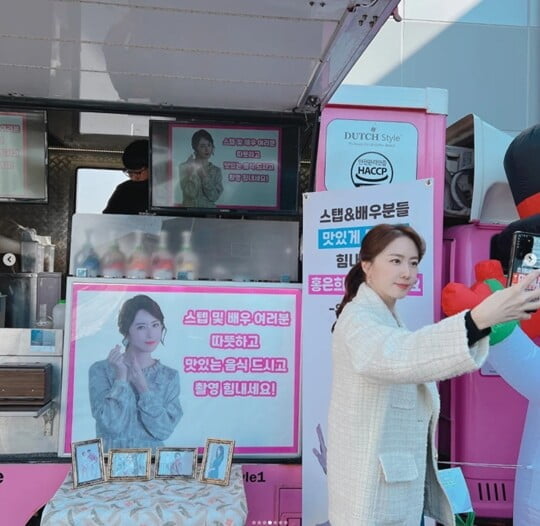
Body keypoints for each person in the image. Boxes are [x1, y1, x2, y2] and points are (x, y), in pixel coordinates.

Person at [327, 223, 540, 526]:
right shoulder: (359, 319)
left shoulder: (381, 316)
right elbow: (400, 355)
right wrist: (477, 320)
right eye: (395, 261)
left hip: (390, 486)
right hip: (372, 493)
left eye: (413, 263)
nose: (407, 273)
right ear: (367, 265)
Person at [89, 294, 182, 451]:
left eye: (155, 325)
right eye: (141, 327)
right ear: (126, 332)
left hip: (152, 466)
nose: (150, 334)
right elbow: (110, 425)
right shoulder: (101, 370)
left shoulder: (169, 377)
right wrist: (120, 379)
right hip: (110, 465)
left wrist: (143, 388)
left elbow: (163, 431)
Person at [175, 129, 223, 207]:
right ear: (195, 148)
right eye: (202, 146)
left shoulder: (216, 171)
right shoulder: (184, 166)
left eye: (209, 145)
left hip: (209, 216)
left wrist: (204, 176)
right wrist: (191, 173)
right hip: (188, 215)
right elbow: (190, 194)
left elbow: (214, 197)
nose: (207, 149)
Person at [103, 139, 150, 214]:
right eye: (129, 172)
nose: (134, 178)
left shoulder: (168, 189)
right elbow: (109, 219)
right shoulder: (124, 190)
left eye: (138, 173)